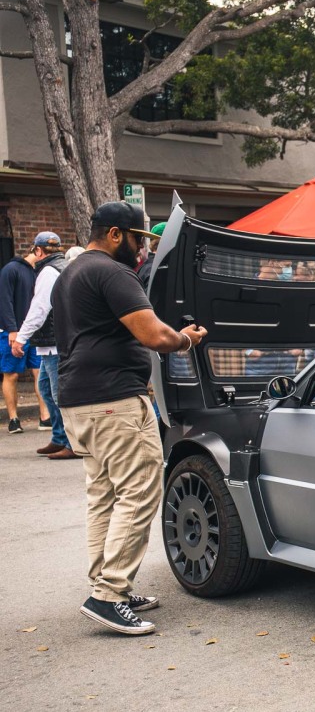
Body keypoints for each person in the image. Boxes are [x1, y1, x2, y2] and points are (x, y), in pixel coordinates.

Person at [55, 201, 207, 635]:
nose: (143, 251)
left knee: (105, 495)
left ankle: (108, 585)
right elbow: (154, 334)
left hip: (79, 400)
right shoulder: (112, 272)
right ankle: (108, 595)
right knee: (140, 490)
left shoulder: (70, 274)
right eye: (140, 240)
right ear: (117, 234)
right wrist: (187, 339)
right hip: (113, 400)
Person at [11, 242, 81, 459]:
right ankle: (60, 437)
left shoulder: (48, 271)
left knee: (57, 392)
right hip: (53, 341)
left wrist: (21, 338)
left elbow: (40, 309)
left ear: (39, 251)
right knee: (46, 388)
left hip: (53, 343)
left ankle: (72, 442)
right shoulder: (62, 266)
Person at [1, 232, 58, 433]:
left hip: (37, 333)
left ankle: (45, 417)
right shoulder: (11, 269)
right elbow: (4, 300)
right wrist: (12, 330)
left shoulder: (43, 271)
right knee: (12, 374)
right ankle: (14, 419)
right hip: (15, 331)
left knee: (40, 375)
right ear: (36, 250)